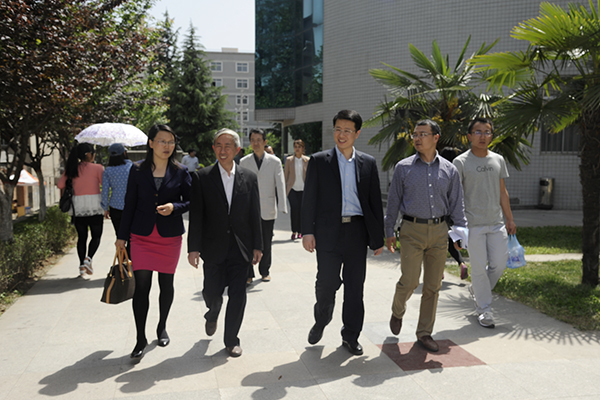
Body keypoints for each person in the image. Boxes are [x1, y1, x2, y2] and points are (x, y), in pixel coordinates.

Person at [302, 109, 384, 356]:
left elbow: (374, 203)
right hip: (328, 232)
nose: (341, 134)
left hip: (356, 232)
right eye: (338, 129)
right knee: (326, 284)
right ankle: (322, 318)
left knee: (355, 288)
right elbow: (309, 199)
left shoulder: (368, 163)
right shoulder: (319, 161)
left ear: (357, 133)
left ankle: (350, 335)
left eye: (347, 130)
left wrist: (377, 238)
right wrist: (307, 231)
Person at [385, 119, 467, 353]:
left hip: (440, 232)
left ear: (436, 138)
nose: (417, 138)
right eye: (415, 134)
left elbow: (457, 203)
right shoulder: (403, 167)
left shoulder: (449, 169)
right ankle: (397, 311)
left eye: (423, 134)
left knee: (433, 285)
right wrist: (389, 231)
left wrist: (460, 232)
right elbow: (393, 202)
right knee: (410, 280)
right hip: (411, 230)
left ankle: (424, 333)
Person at [116, 124, 191, 359]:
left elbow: (191, 201)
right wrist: (121, 236)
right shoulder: (137, 170)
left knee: (166, 285)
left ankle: (162, 327)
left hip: (169, 237)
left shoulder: (181, 171)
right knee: (142, 288)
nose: (167, 146)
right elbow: (129, 203)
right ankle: (140, 337)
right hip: (141, 237)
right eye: (162, 141)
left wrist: (174, 207)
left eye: (171, 141)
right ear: (151, 143)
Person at [188, 128, 262, 358]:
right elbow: (196, 216)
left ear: (237, 150)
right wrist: (193, 248)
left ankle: (231, 340)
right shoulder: (202, 177)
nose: (223, 150)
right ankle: (213, 312)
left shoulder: (249, 178)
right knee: (212, 292)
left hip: (241, 247)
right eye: (218, 145)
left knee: (238, 294)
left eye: (227, 145)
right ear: (213, 149)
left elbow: (254, 214)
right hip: (213, 247)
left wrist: (258, 245)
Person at [453, 117, 517, 329]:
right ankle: (485, 310)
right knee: (479, 268)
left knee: (499, 263)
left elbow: (502, 192)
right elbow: (455, 196)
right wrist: (457, 228)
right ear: (469, 136)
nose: (482, 136)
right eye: (478, 132)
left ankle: (478, 290)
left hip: (496, 223)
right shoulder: (460, 162)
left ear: (492, 136)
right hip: (472, 224)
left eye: (487, 132)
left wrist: (509, 218)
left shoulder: (498, 160)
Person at [240, 128, 287, 283]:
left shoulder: (275, 161)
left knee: (266, 242)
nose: (256, 143)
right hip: (248, 208)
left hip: (268, 207)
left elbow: (280, 184)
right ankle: (248, 273)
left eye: (259, 140)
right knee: (248, 241)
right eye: (253, 140)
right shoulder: (244, 161)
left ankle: (265, 270)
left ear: (265, 142)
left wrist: (282, 206)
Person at [57, 142, 104, 277]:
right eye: (93, 153)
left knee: (82, 237)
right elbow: (105, 184)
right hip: (95, 205)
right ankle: (88, 259)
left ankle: (82, 266)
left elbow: (60, 184)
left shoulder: (72, 169)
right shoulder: (98, 168)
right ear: (88, 154)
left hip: (77, 207)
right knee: (96, 235)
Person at [439, 147, 469, 280]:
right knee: (452, 241)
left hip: (442, 213)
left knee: (439, 243)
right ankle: (461, 263)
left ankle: (439, 270)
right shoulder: (457, 172)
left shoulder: (440, 172)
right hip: (456, 212)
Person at [101, 143, 133, 241]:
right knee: (132, 237)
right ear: (124, 153)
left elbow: (105, 191)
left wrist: (105, 208)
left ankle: (121, 251)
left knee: (119, 237)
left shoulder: (108, 170)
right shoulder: (132, 167)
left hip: (115, 207)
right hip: (132, 206)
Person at [285, 139, 310, 241]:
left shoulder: (307, 160)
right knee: (294, 209)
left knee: (302, 210)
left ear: (303, 148)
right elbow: (285, 175)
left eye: (299, 147)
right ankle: (294, 231)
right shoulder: (289, 160)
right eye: (295, 147)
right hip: (292, 189)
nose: (297, 149)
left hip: (304, 190)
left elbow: (310, 176)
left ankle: (300, 231)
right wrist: (284, 189)